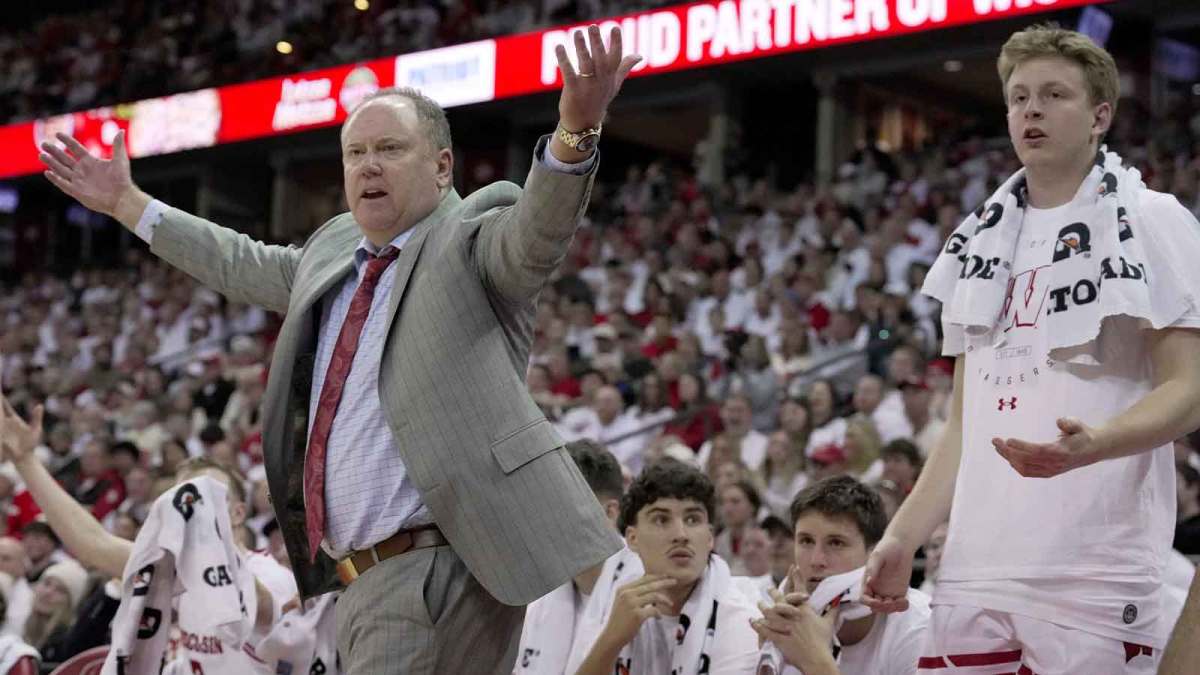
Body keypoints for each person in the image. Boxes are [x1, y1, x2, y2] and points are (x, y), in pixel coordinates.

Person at [40, 25, 641, 674]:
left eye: (389, 148)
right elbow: (237, 261)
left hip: (433, 562)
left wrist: (576, 131)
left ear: (443, 167)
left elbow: (535, 236)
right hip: (360, 578)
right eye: (355, 153)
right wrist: (129, 204)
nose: (368, 165)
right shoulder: (333, 250)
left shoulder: (470, 231)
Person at [863, 25, 1200, 673]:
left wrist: (1097, 443)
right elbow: (965, 425)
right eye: (1018, 97)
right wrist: (903, 535)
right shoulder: (978, 242)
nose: (1031, 110)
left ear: (1100, 116)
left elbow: (1189, 390)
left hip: (1093, 572)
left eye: (1054, 95)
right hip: (974, 567)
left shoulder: (1152, 218)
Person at [0, 395, 296, 673]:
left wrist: (208, 541)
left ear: (238, 513)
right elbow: (93, 543)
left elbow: (258, 601)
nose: (193, 510)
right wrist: (26, 461)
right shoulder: (176, 569)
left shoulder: (271, 576)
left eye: (208, 498)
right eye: (183, 501)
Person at [575, 460, 761, 674]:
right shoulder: (618, 603)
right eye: (661, 520)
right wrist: (612, 640)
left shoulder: (741, 618)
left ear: (710, 538)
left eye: (692, 519)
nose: (681, 535)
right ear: (632, 538)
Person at [752, 476, 930, 675]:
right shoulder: (784, 623)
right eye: (806, 541)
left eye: (836, 543)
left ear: (875, 553)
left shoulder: (917, 625)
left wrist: (815, 661)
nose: (816, 560)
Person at [514, 439, 630, 675]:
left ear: (610, 512)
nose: (550, 521)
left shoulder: (645, 590)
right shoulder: (537, 601)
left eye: (564, 507)